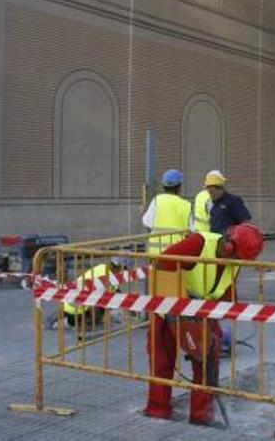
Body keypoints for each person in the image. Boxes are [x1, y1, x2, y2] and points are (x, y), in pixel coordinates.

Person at [144, 223, 264, 425]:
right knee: (162, 360)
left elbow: (225, 292)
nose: (234, 262)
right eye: (234, 257)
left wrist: (217, 313)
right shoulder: (199, 244)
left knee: (208, 359)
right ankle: (158, 409)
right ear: (227, 243)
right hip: (169, 307)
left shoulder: (235, 263)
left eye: (239, 260)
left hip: (201, 312)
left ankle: (201, 415)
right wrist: (178, 307)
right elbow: (162, 264)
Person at [62, 257, 125, 329]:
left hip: (67, 302)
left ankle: (72, 319)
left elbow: (116, 291)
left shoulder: (102, 267)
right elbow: (95, 301)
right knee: (102, 307)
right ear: (120, 268)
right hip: (76, 310)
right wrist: (99, 321)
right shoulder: (108, 279)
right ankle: (83, 323)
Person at [142, 169, 192, 254]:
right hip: (176, 251)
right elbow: (191, 230)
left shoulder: (156, 201)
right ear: (179, 187)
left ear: (163, 186)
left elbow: (147, 222)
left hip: (155, 251)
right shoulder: (186, 205)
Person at [203, 170, 251, 234]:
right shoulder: (213, 206)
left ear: (220, 188)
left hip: (230, 242)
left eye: (212, 192)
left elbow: (245, 222)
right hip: (215, 242)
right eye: (209, 193)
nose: (211, 195)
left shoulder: (234, 201)